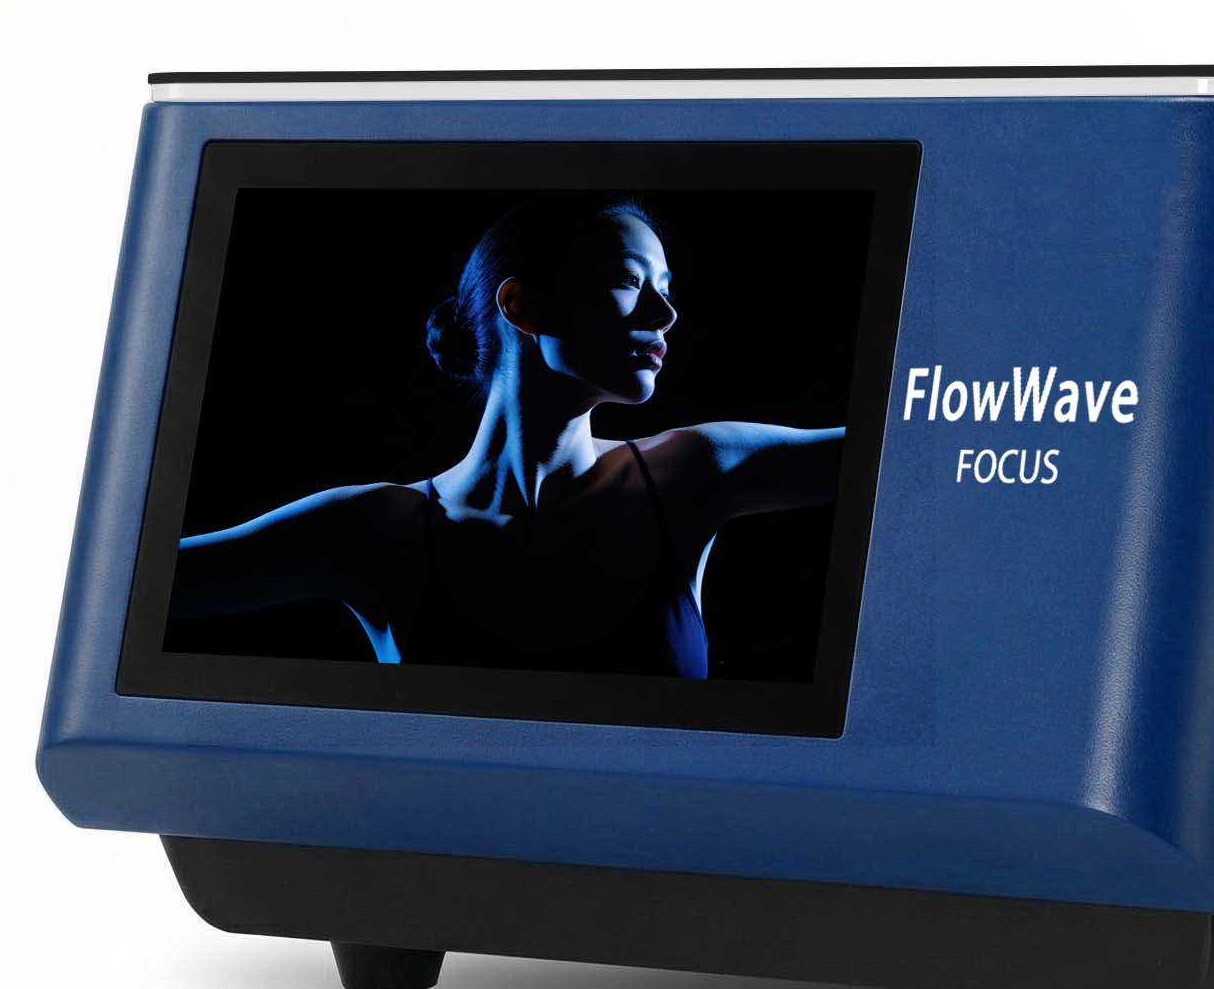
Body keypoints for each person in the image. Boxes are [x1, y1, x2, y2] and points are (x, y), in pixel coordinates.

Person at [168, 193, 842, 675]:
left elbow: (894, 455)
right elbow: (136, 582)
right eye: (627, 281)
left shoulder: (694, 472)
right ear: (521, 304)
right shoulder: (378, 531)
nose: (665, 314)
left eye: (665, 287)